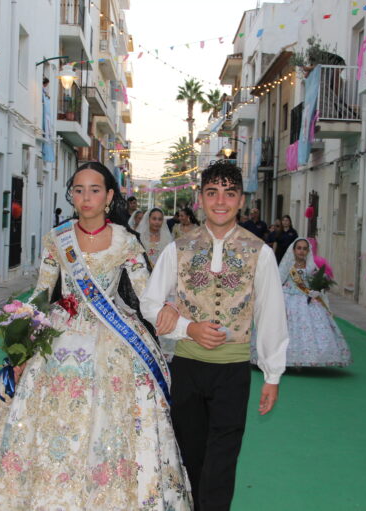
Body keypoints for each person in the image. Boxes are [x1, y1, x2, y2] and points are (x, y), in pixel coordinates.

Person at [0, 162, 191, 510]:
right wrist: (21, 350)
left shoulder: (126, 241)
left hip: (113, 338)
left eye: (95, 190)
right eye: (79, 190)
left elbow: (146, 298)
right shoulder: (58, 238)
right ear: (71, 195)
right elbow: (41, 295)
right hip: (59, 336)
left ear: (109, 196)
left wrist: (170, 309)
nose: (86, 198)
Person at [141, 161, 288, 511]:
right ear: (201, 199)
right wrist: (187, 328)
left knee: (223, 460)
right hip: (187, 369)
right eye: (212, 193)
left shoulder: (261, 253)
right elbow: (149, 304)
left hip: (233, 373)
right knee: (191, 459)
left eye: (229, 193)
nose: (220, 201)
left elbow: (271, 315)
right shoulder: (178, 248)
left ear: (240, 201)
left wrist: (272, 374)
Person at [278, 238, 352, 368]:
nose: (301, 251)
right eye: (299, 248)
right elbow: (278, 282)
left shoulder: (312, 267)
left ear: (308, 251)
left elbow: (319, 283)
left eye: (304, 248)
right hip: (288, 298)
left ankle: (308, 357)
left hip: (308, 300)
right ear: (294, 250)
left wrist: (318, 291)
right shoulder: (287, 266)